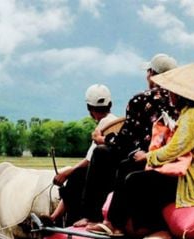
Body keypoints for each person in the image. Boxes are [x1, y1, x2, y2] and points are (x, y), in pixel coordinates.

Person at [87, 63, 194, 239]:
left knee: (137, 180)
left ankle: (159, 229)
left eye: (172, 92)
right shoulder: (190, 113)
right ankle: (114, 223)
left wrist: (147, 157)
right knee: (128, 166)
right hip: (184, 168)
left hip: (192, 179)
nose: (169, 95)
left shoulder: (193, 117)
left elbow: (174, 149)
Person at [73, 53, 179, 227]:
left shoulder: (141, 99)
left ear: (151, 73)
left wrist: (103, 139)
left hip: (145, 157)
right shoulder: (182, 101)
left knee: (102, 154)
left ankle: (92, 216)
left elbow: (124, 140)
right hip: (169, 157)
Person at [49, 84, 119, 226]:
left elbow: (89, 160)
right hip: (117, 174)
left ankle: (64, 218)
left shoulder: (105, 124)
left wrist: (67, 173)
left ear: (89, 109)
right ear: (110, 104)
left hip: (106, 178)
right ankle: (55, 215)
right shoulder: (118, 121)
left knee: (77, 176)